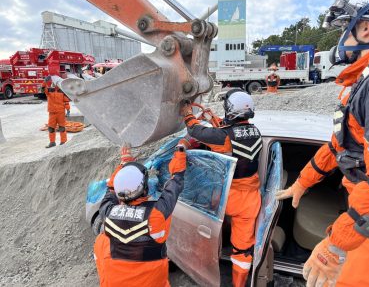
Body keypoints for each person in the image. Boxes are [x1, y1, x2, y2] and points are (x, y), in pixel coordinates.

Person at [276, 0, 369, 286]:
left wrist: (335, 246)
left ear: (366, 28)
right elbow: (341, 144)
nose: (343, 38)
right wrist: (302, 183)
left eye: (347, 27)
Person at [181, 89, 262, 287]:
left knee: (201, 226)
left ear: (230, 111)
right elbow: (231, 132)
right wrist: (213, 117)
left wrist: (187, 113)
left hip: (227, 197)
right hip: (251, 199)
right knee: (242, 249)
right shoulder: (256, 131)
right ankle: (239, 283)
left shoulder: (223, 137)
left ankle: (201, 263)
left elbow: (197, 131)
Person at [94, 141, 187, 287]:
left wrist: (125, 164)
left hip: (114, 282)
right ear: (144, 189)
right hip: (151, 282)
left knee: (101, 241)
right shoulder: (155, 215)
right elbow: (176, 181)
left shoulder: (107, 210)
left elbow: (111, 188)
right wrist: (180, 154)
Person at [42, 75, 70, 148]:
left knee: (62, 128)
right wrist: (45, 82)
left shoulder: (62, 91)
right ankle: (52, 142)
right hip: (52, 113)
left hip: (61, 112)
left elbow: (66, 101)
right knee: (51, 128)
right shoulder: (49, 90)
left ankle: (63, 142)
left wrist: (68, 110)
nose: (54, 84)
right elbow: (42, 90)